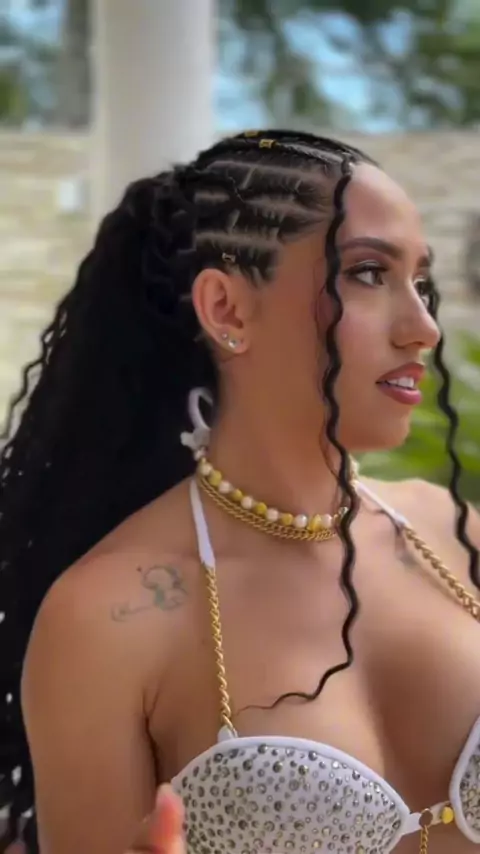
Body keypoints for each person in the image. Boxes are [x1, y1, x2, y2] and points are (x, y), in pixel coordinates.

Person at [0, 129, 479, 854]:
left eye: (422, 283)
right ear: (225, 309)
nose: (423, 328)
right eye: (367, 273)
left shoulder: (455, 536)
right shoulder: (106, 617)